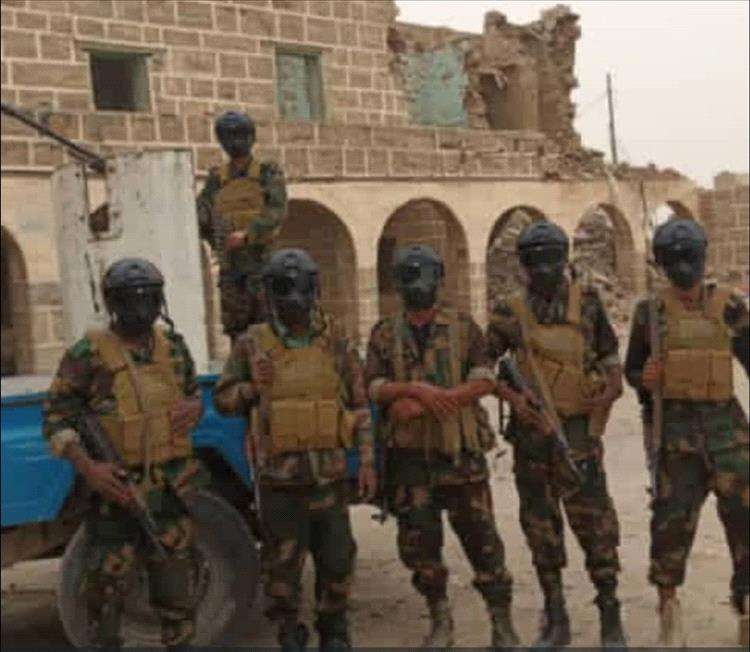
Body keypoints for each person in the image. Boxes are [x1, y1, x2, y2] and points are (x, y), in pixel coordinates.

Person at [213, 248, 375, 650]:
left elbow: (359, 406)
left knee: (337, 562)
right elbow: (224, 400)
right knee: (281, 572)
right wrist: (253, 387)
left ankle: (334, 633)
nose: (294, 298)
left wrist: (367, 461)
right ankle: (289, 633)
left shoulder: (335, 339)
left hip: (328, 477)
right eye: (284, 288)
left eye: (301, 287)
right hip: (279, 481)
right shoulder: (253, 344)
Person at [365, 243, 525, 649]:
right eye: (410, 277)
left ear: (439, 280)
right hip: (410, 462)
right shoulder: (384, 333)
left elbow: (485, 377)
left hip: (460, 458)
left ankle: (502, 624)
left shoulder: (464, 328)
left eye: (425, 276)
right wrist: (412, 390)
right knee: (421, 550)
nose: (418, 286)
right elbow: (373, 386)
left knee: (483, 543)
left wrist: (439, 400)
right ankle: (440, 621)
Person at [42, 258, 206, 649]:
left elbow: (191, 394)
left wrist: (195, 406)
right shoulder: (88, 353)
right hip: (114, 496)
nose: (142, 308)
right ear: (114, 303)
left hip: (169, 493)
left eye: (149, 298)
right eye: (132, 299)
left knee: (178, 597)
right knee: (105, 598)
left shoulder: (173, 348)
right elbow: (56, 416)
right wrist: (90, 469)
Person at [486, 220, 627, 648]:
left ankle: (610, 616)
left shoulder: (588, 304)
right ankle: (556, 617)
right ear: (524, 266)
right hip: (532, 441)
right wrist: (515, 400)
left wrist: (605, 395)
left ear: (565, 259)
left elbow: (611, 361)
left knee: (597, 528)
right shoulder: (510, 312)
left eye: (552, 260)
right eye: (536, 262)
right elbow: (484, 370)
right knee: (541, 530)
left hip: (578, 437)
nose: (545, 270)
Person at [624, 217, 749, 646]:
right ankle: (669, 611)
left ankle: (746, 604)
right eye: (673, 261)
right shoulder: (650, 313)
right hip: (676, 438)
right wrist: (645, 378)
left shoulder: (730, 307)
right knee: (670, 524)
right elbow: (632, 371)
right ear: (662, 264)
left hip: (728, 436)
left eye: (689, 259)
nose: (683, 269)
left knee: (745, 520)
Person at [196, 110, 287, 341]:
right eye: (228, 136)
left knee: (267, 328)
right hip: (231, 268)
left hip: (261, 263)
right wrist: (212, 235)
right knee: (236, 330)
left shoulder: (267, 173)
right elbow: (203, 212)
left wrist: (248, 234)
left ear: (251, 137)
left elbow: (276, 211)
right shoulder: (217, 179)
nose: (234, 141)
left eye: (239, 135)